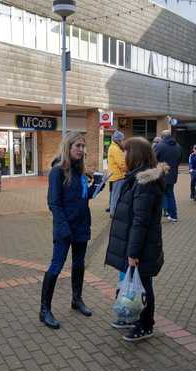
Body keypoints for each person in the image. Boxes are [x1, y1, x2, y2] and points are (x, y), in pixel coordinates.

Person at [105, 137, 166, 342]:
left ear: (135, 155)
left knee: (144, 285)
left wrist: (133, 253)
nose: (122, 156)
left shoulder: (145, 183)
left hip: (143, 246)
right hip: (140, 244)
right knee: (139, 283)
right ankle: (133, 317)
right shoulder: (135, 179)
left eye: (125, 152)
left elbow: (140, 222)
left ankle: (146, 324)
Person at [40, 132, 101, 329]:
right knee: (56, 266)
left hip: (82, 226)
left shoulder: (80, 170)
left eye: (83, 147)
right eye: (78, 146)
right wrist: (64, 228)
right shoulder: (58, 171)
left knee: (79, 264)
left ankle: (76, 300)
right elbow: (54, 203)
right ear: (68, 147)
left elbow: (83, 197)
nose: (82, 150)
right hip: (65, 228)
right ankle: (44, 310)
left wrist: (96, 187)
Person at [153, 130, 182, 222]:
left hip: (161, 174)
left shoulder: (159, 146)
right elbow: (179, 159)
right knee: (170, 194)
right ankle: (173, 215)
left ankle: (163, 213)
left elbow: (153, 159)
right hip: (173, 174)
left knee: (161, 194)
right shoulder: (178, 146)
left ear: (162, 137)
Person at [107, 130, 127, 214]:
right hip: (118, 176)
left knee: (114, 195)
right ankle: (114, 213)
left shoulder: (113, 147)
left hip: (114, 175)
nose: (123, 141)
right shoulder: (115, 149)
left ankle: (113, 211)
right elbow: (121, 164)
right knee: (116, 196)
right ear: (118, 140)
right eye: (122, 140)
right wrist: (128, 169)